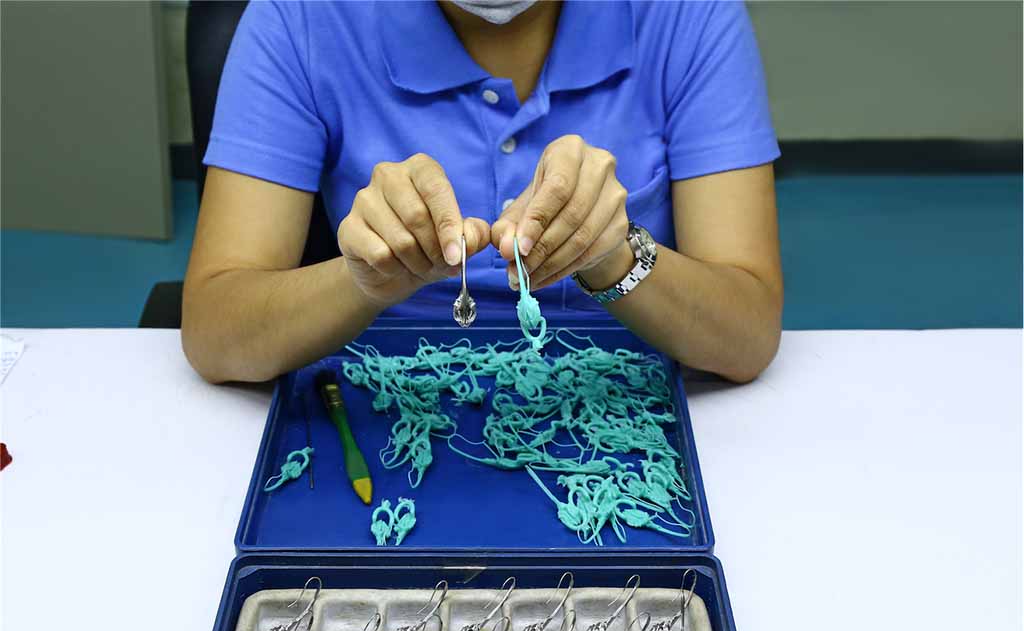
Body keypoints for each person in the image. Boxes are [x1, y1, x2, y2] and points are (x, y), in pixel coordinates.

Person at [182, 0, 783, 384]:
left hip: (632, 390)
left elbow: (747, 334)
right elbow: (216, 332)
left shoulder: (690, 15)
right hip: (381, 388)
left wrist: (617, 257)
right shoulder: (301, 18)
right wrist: (359, 281)